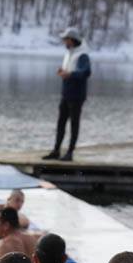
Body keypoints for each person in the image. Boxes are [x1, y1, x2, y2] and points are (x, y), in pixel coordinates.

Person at [43, 27, 91, 162]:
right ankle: (56, 151)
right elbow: (71, 71)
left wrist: (69, 74)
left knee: (74, 125)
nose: (64, 41)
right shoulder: (69, 54)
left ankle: (70, 153)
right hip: (66, 95)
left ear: (72, 40)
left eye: (66, 39)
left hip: (76, 97)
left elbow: (86, 72)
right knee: (60, 124)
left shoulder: (82, 55)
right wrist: (63, 71)